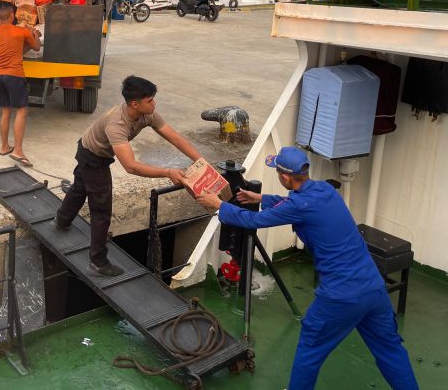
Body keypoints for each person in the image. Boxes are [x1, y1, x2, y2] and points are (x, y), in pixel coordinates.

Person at [196, 146, 418, 390]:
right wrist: (261, 198)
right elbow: (296, 203)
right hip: (373, 287)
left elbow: (253, 220)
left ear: (285, 177)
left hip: (341, 295)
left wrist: (218, 204)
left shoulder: (298, 205)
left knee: (310, 348)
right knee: (390, 348)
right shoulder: (324, 189)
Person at [55, 76, 201, 276]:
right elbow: (131, 167)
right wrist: (167, 172)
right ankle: (98, 262)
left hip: (89, 148)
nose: (154, 104)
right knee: (101, 209)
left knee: (80, 188)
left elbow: (174, 138)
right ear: (135, 103)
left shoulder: (147, 114)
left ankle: (62, 220)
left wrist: (200, 161)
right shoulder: (117, 124)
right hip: (93, 157)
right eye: (150, 101)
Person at [0, 1, 41, 167]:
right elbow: (37, 47)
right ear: (12, 16)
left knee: (5, 111)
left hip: (0, 76)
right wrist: (35, 34)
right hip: (15, 76)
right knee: (22, 111)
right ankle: (18, 150)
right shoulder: (22, 32)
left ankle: (4, 147)